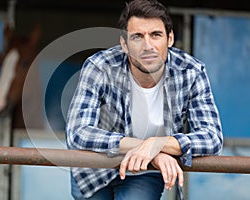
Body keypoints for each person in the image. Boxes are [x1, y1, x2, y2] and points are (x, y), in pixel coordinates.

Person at [66, 0, 223, 199]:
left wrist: (157, 143)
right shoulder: (99, 67)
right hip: (95, 169)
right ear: (124, 44)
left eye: (156, 35)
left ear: (170, 38)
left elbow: (212, 138)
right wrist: (152, 149)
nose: (147, 46)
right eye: (137, 37)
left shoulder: (190, 72)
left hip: (145, 171)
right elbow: (78, 132)